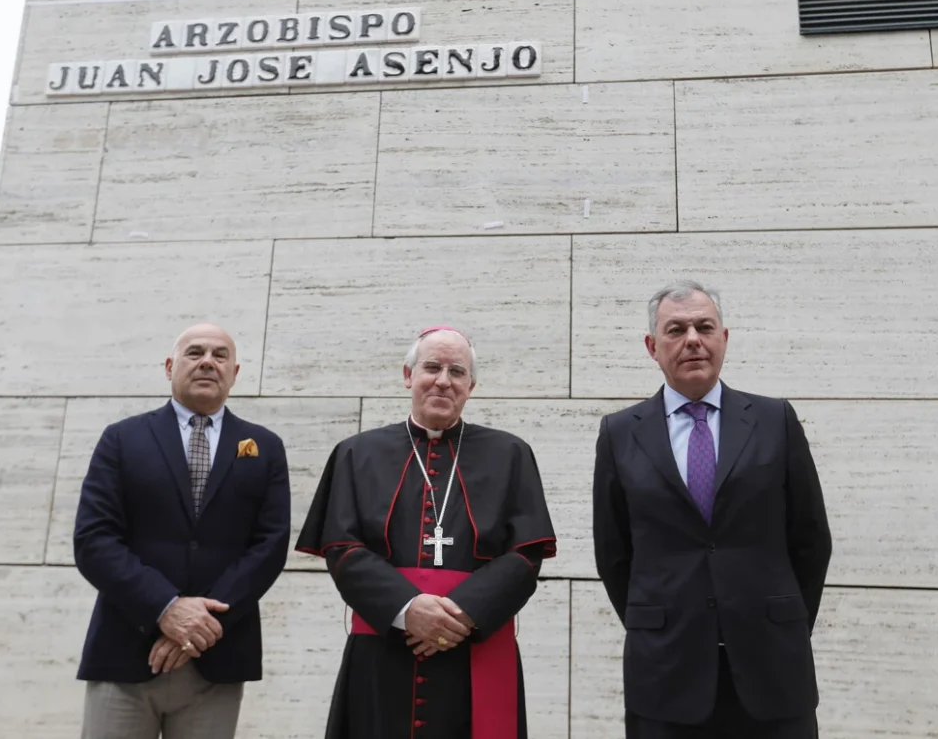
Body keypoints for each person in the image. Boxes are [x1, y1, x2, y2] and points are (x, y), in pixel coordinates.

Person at [592, 281, 832, 739]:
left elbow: (811, 539)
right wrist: (664, 623)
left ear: (725, 338)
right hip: (665, 673)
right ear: (652, 347)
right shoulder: (620, 434)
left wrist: (783, 620)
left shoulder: (774, 420)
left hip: (773, 667)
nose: (692, 340)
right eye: (676, 330)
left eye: (704, 327)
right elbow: (614, 552)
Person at [297, 326, 556, 739]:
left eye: (457, 371)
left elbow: (526, 555)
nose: (443, 380)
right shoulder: (356, 453)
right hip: (384, 648)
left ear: (471, 386)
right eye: (432, 367)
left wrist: (460, 616)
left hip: (474, 644)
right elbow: (341, 547)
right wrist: (408, 610)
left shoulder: (510, 454)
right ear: (408, 375)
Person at [73, 323, 291, 739]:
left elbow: (270, 545)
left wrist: (200, 625)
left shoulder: (265, 447)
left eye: (220, 355)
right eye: (195, 353)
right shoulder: (122, 439)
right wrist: (166, 609)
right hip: (125, 652)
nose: (208, 361)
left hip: (217, 659)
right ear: (170, 366)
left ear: (235, 372)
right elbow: (94, 539)